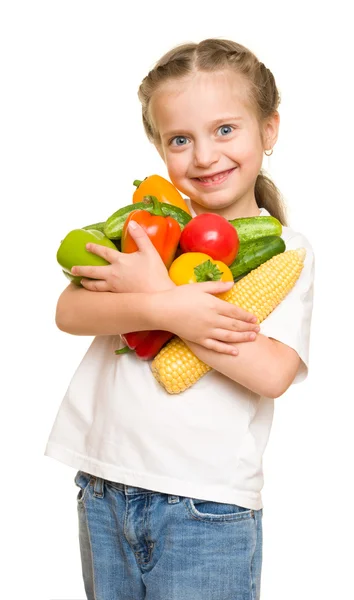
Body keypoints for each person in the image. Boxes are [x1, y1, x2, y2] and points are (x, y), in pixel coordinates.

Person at [45, 38, 315, 600]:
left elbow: (272, 374)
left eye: (225, 130)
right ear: (159, 146)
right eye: (180, 140)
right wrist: (164, 304)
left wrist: (179, 310)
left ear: (269, 130)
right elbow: (70, 310)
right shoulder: (147, 226)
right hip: (104, 485)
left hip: (205, 504)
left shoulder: (285, 251)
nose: (204, 156)